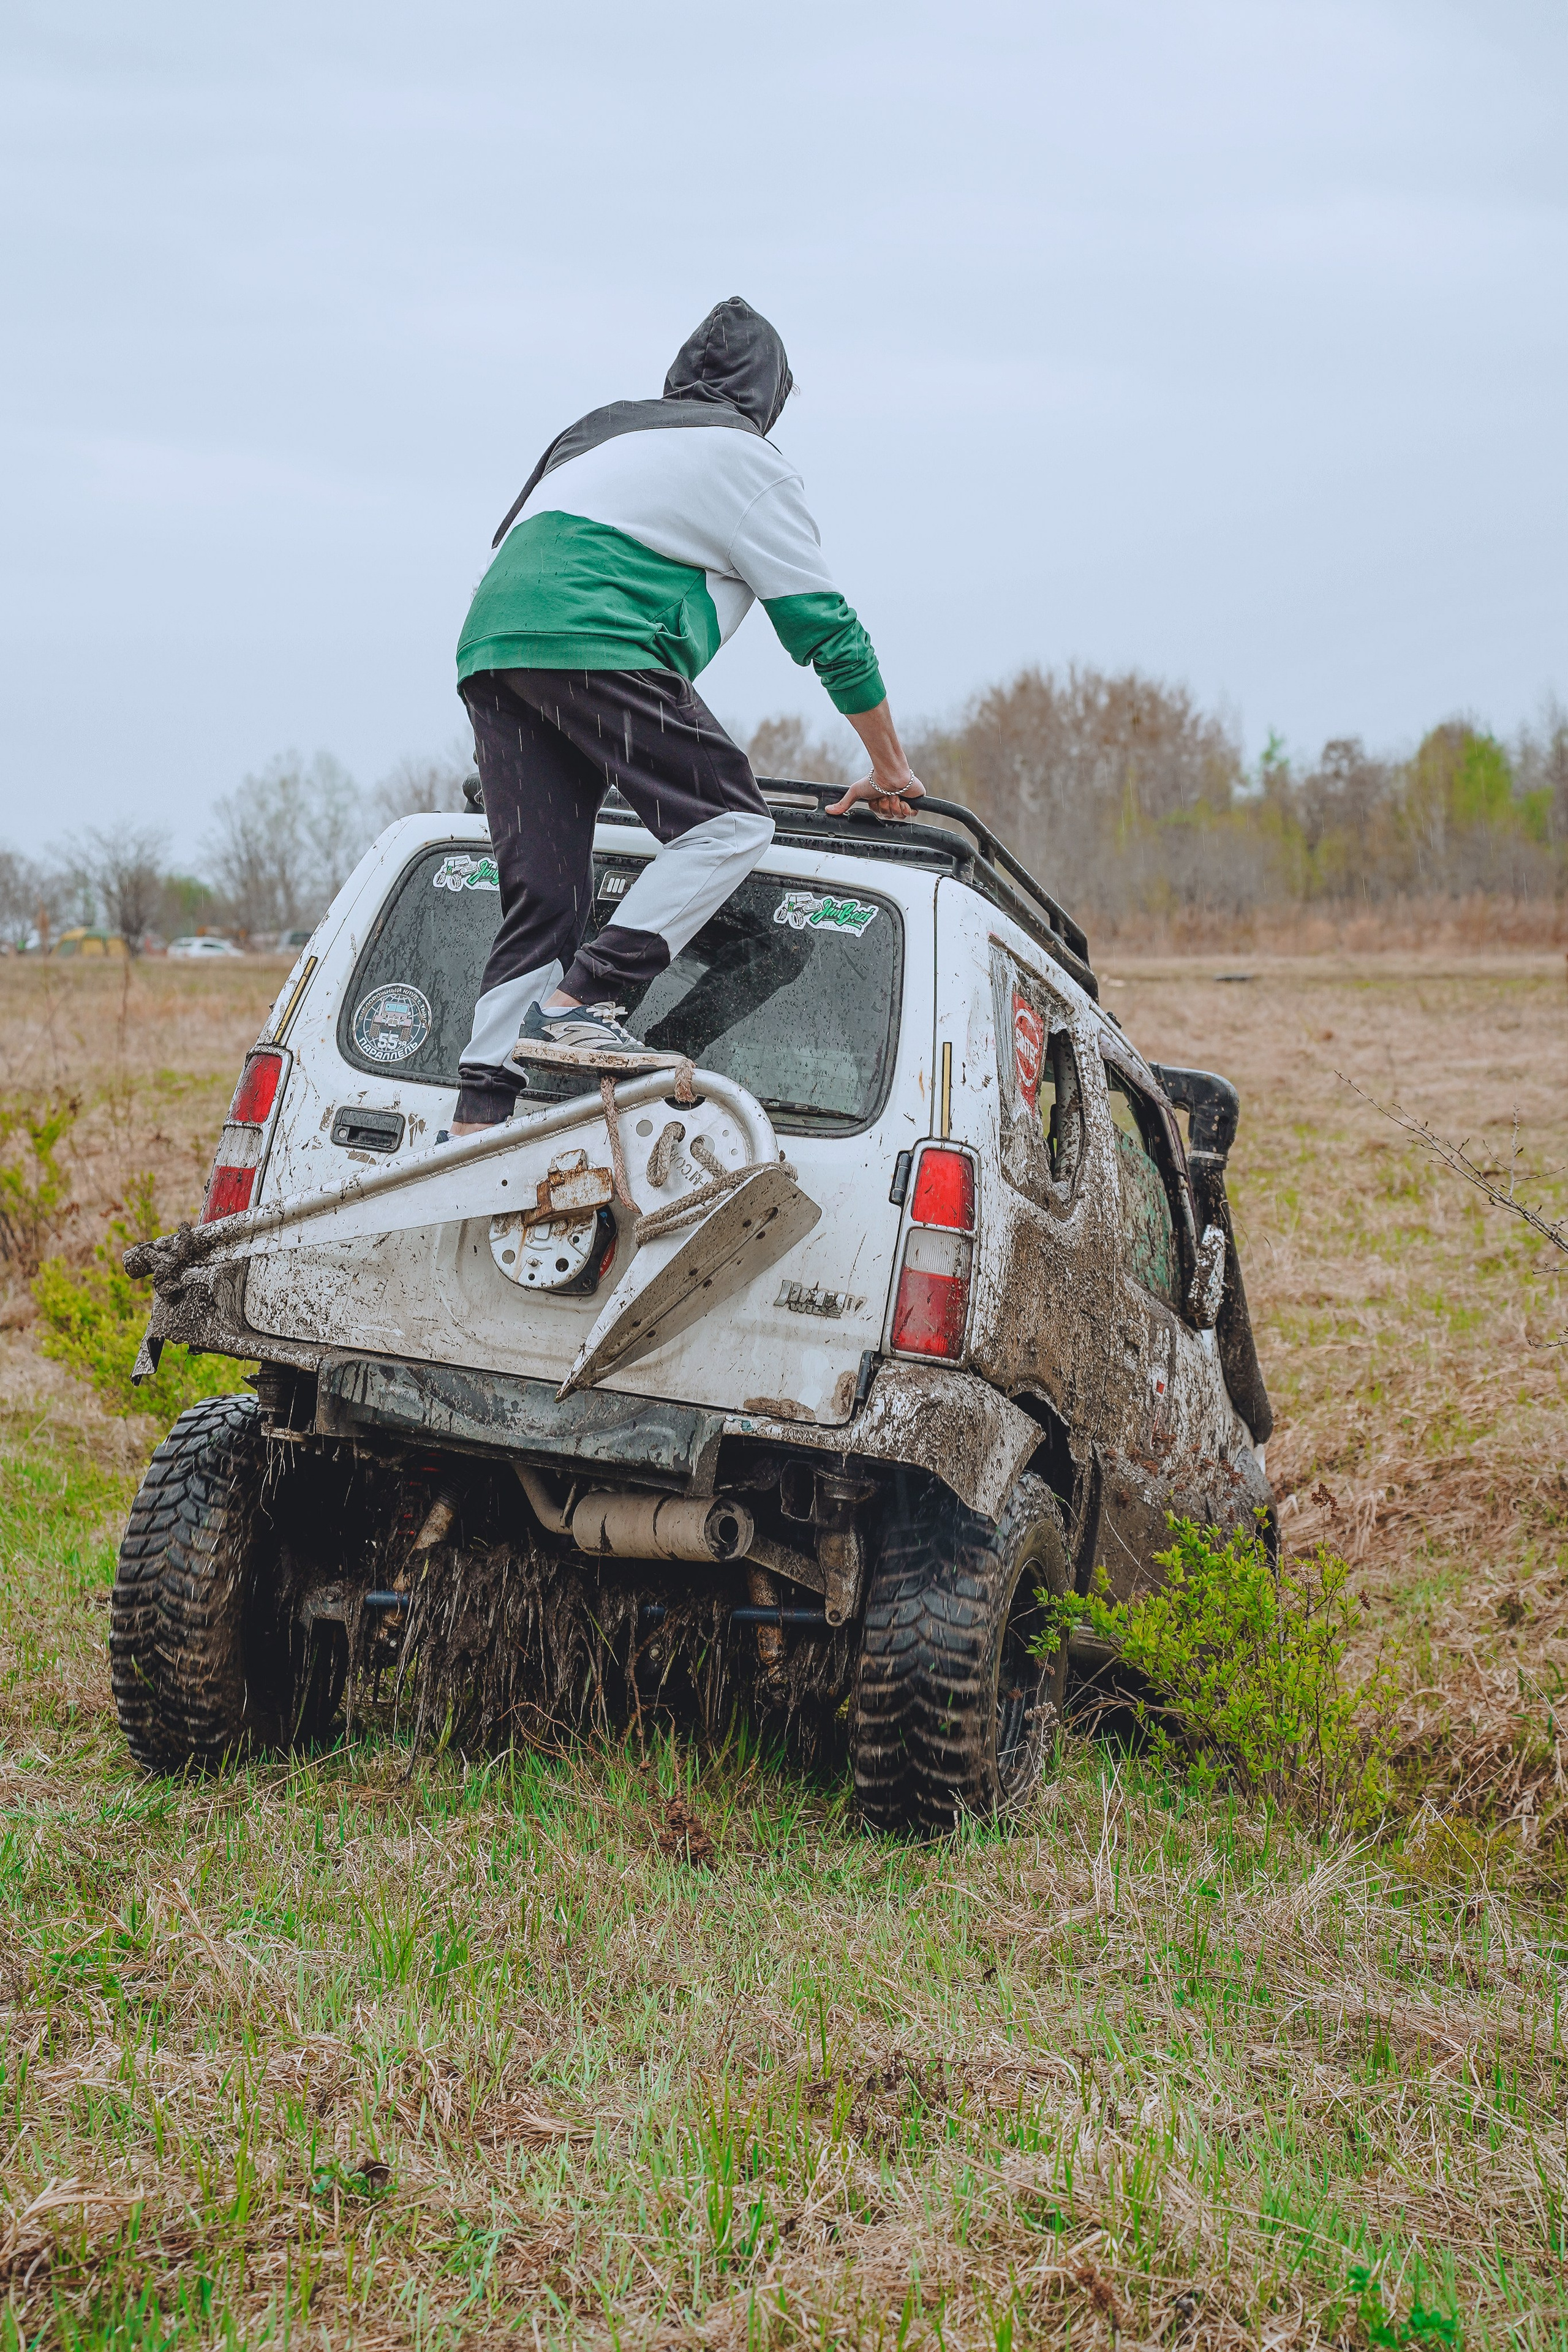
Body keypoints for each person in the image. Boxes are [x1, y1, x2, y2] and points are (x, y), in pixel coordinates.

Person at [450, 296, 923, 1133]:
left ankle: (480, 1111)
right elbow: (827, 630)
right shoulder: (748, 460)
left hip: (494, 645)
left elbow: (520, 543)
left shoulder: (597, 431)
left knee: (546, 900)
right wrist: (890, 766)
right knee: (728, 824)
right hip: (593, 635)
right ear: (770, 398)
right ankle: (584, 1002)